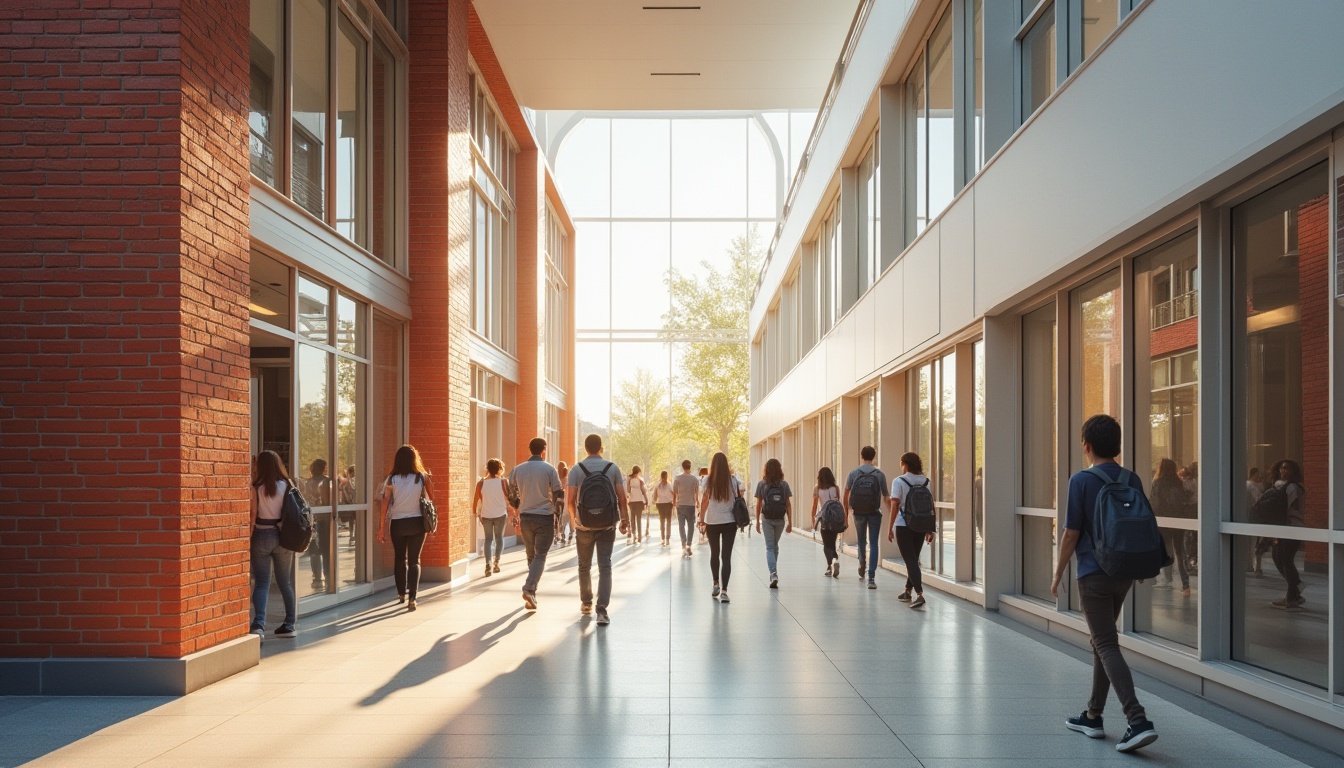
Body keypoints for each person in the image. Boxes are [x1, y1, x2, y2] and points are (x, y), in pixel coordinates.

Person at [1051, 414, 1159, 754]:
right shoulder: (1132, 478)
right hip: (1124, 573)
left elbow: (1071, 533)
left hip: (1093, 574)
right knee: (1102, 642)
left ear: (1087, 445)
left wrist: (1058, 573)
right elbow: (1139, 524)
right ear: (1117, 445)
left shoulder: (1080, 480)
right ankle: (1093, 715)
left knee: (1106, 644)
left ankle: (1137, 719)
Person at [567, 434, 629, 625]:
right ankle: (602, 610)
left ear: (585, 448)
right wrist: (624, 519)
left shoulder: (576, 469)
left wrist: (575, 521)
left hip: (583, 525)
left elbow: (570, 501)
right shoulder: (612, 468)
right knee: (605, 566)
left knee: (584, 565)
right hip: (607, 525)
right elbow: (622, 498)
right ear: (601, 447)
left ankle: (586, 603)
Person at [508, 438, 564, 611]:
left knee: (531, 556)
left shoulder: (517, 469)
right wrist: (558, 516)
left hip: (526, 517)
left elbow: (511, 494)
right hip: (544, 517)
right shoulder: (549, 469)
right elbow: (558, 494)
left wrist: (519, 506)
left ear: (529, 449)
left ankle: (532, 595)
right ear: (544, 450)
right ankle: (529, 588)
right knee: (540, 556)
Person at [377, 445, 434, 612]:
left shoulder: (391, 479)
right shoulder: (423, 477)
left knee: (400, 559)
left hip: (398, 523)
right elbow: (432, 500)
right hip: (417, 522)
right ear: (414, 459)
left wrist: (382, 527)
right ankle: (413, 598)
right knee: (415, 560)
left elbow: (385, 503)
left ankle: (401, 593)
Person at [250, 450, 297, 640]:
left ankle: (259, 625)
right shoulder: (286, 486)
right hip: (283, 536)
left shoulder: (255, 487)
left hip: (261, 535)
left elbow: (252, 517)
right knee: (285, 582)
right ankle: (290, 624)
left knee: (262, 583)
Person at [887, 452, 934, 608]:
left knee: (910, 560)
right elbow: (929, 507)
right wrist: (929, 529)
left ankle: (919, 594)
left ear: (905, 464)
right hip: (921, 525)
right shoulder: (926, 481)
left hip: (904, 525)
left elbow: (894, 505)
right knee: (913, 559)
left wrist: (890, 527)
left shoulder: (899, 481)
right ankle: (907, 591)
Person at [698, 452, 743, 603]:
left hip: (712, 521)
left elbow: (704, 501)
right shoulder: (733, 480)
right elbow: (738, 497)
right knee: (726, 556)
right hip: (730, 521)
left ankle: (715, 583)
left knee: (714, 553)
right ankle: (724, 592)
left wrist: (701, 519)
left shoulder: (708, 481)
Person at [844, 446, 889, 589]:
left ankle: (862, 563)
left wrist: (846, 513)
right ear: (874, 457)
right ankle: (871, 577)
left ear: (861, 456)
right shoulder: (879, 475)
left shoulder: (853, 473)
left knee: (861, 541)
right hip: (875, 512)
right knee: (874, 543)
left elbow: (845, 495)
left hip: (858, 513)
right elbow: (886, 496)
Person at [1269, 459, 1306, 609]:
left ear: (1293, 471)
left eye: (1287, 469)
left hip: (1291, 527)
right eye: (1282, 468)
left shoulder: (1293, 487)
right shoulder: (1279, 486)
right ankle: (1296, 588)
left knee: (1285, 559)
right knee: (1278, 557)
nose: (1283, 471)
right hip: (1283, 527)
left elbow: (1289, 509)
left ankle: (1292, 596)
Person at [1150, 459, 1189, 595]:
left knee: (1166, 550)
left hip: (1164, 521)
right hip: (1178, 521)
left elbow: (1155, 502)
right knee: (1180, 552)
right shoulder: (1178, 482)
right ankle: (1185, 584)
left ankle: (1165, 580)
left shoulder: (1157, 483)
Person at [754, 458, 793, 589]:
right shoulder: (784, 484)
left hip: (767, 518)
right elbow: (788, 504)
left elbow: (759, 503)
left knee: (770, 547)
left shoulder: (762, 484)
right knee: (774, 546)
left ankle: (773, 573)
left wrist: (758, 521)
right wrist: (790, 522)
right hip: (780, 519)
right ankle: (774, 572)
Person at [473, 458, 513, 578]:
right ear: (500, 469)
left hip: (486, 515)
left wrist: (475, 513)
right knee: (499, 538)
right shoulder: (503, 482)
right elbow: (510, 498)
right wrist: (513, 512)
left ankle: (487, 564)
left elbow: (476, 500)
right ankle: (496, 562)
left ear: (487, 469)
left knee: (488, 539)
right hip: (500, 514)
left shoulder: (481, 483)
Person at [304, 458, 333, 591]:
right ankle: (328, 575)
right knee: (326, 549)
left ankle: (317, 578)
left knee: (314, 550)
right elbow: (329, 500)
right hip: (325, 519)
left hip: (313, 519)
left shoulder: (308, 483)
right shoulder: (327, 482)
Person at [812, 467, 842, 578]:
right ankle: (835, 560)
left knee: (826, 544)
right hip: (835, 519)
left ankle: (830, 566)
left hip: (824, 519)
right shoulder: (836, 488)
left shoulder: (817, 488)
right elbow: (838, 503)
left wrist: (813, 519)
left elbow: (814, 506)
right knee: (833, 542)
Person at [673, 460, 700, 557]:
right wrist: (697, 503)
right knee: (691, 525)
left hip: (680, 504)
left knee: (681, 525)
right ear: (690, 467)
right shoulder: (694, 479)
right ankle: (689, 544)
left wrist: (674, 503)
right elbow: (696, 493)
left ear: (682, 467)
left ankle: (683, 545)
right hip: (690, 505)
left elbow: (675, 493)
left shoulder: (677, 479)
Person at [1246, 467, 1268, 576]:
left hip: (1245, 516)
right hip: (1252, 516)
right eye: (1258, 475)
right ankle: (1250, 565)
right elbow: (1259, 500)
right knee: (1252, 542)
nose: (1259, 477)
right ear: (1254, 474)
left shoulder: (1246, 484)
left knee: (1248, 542)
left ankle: (1248, 564)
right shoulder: (1252, 486)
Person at [626, 466, 648, 544]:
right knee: (638, 519)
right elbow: (644, 491)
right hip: (639, 501)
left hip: (632, 501)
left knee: (632, 519)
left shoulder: (629, 480)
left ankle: (634, 535)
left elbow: (628, 490)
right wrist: (646, 501)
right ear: (638, 472)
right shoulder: (641, 480)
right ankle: (639, 536)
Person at [654, 470, 675, 546]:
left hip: (667, 504)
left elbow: (674, 494)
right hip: (662, 504)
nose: (665, 478)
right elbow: (655, 494)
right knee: (664, 521)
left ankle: (666, 538)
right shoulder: (660, 485)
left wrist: (674, 501)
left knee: (666, 521)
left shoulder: (668, 485)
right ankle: (664, 538)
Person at [553, 461, 569, 546]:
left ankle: (556, 535)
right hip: (564, 501)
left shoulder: (556, 478)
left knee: (556, 518)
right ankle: (563, 535)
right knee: (563, 518)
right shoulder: (567, 479)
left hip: (556, 501)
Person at [697, 467, 710, 544]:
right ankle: (706, 535)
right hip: (707, 500)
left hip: (701, 500)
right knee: (706, 518)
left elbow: (698, 490)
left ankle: (701, 535)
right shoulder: (708, 479)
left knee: (701, 518)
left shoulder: (699, 479)